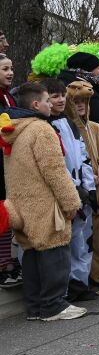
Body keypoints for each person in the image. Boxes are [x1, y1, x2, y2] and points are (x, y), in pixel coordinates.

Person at [5, 82, 87, 320]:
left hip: (22, 203)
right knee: (55, 250)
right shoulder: (41, 130)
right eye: (47, 100)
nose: (51, 104)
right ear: (35, 104)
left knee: (31, 253)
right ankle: (54, 305)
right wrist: (71, 202)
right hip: (45, 204)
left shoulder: (13, 130)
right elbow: (54, 171)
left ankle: (35, 307)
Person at [42, 79, 98, 303]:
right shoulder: (46, 126)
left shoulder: (70, 123)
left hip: (80, 189)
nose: (60, 100)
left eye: (61, 95)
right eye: (54, 96)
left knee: (82, 241)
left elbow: (82, 156)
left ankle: (79, 283)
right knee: (65, 241)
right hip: (64, 191)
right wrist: (72, 188)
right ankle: (64, 288)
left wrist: (89, 188)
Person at [65, 81, 99, 294]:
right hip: (82, 196)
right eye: (76, 102)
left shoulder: (96, 128)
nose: (81, 106)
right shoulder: (68, 130)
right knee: (82, 241)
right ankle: (83, 280)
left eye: (84, 102)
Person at [0, 54, 19, 290]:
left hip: (8, 160)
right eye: (5, 68)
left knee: (6, 212)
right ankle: (3, 264)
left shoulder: (8, 96)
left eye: (11, 68)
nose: (10, 72)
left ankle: (5, 261)